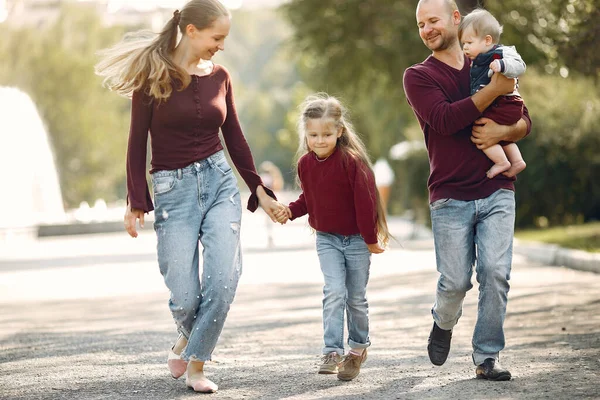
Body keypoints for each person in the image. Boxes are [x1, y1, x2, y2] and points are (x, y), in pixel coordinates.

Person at [95, 0, 285, 393]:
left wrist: (259, 191)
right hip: (172, 190)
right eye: (217, 37)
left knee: (222, 280)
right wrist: (136, 199)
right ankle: (186, 339)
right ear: (192, 31)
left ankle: (196, 363)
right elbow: (136, 142)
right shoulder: (152, 76)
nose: (222, 45)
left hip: (219, 184)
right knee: (184, 296)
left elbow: (234, 138)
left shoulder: (221, 77)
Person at [403, 0, 533, 381]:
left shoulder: (491, 59)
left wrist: (504, 132)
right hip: (450, 195)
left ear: (456, 19)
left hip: (496, 187)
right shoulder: (418, 76)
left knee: (495, 273)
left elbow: (523, 116)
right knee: (456, 281)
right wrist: (493, 91)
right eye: (420, 24)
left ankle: (486, 357)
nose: (427, 29)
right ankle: (443, 322)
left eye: (434, 20)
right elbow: (445, 120)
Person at [274, 94, 391, 381]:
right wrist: (290, 211)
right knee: (334, 291)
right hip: (326, 239)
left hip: (357, 241)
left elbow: (365, 203)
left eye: (327, 134)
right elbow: (309, 198)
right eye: (313, 134)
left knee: (356, 298)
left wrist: (370, 238)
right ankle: (331, 350)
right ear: (306, 134)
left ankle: (358, 349)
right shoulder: (305, 164)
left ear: (339, 132)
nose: (320, 140)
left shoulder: (352, 162)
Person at [460, 8, 527, 179]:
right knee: (496, 132)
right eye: (463, 44)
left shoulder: (501, 53)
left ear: (487, 40)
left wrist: (502, 65)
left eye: (469, 42)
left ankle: (501, 162)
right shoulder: (475, 61)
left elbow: (520, 65)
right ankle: (517, 160)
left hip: (506, 104)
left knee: (479, 131)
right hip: (502, 105)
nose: (465, 48)